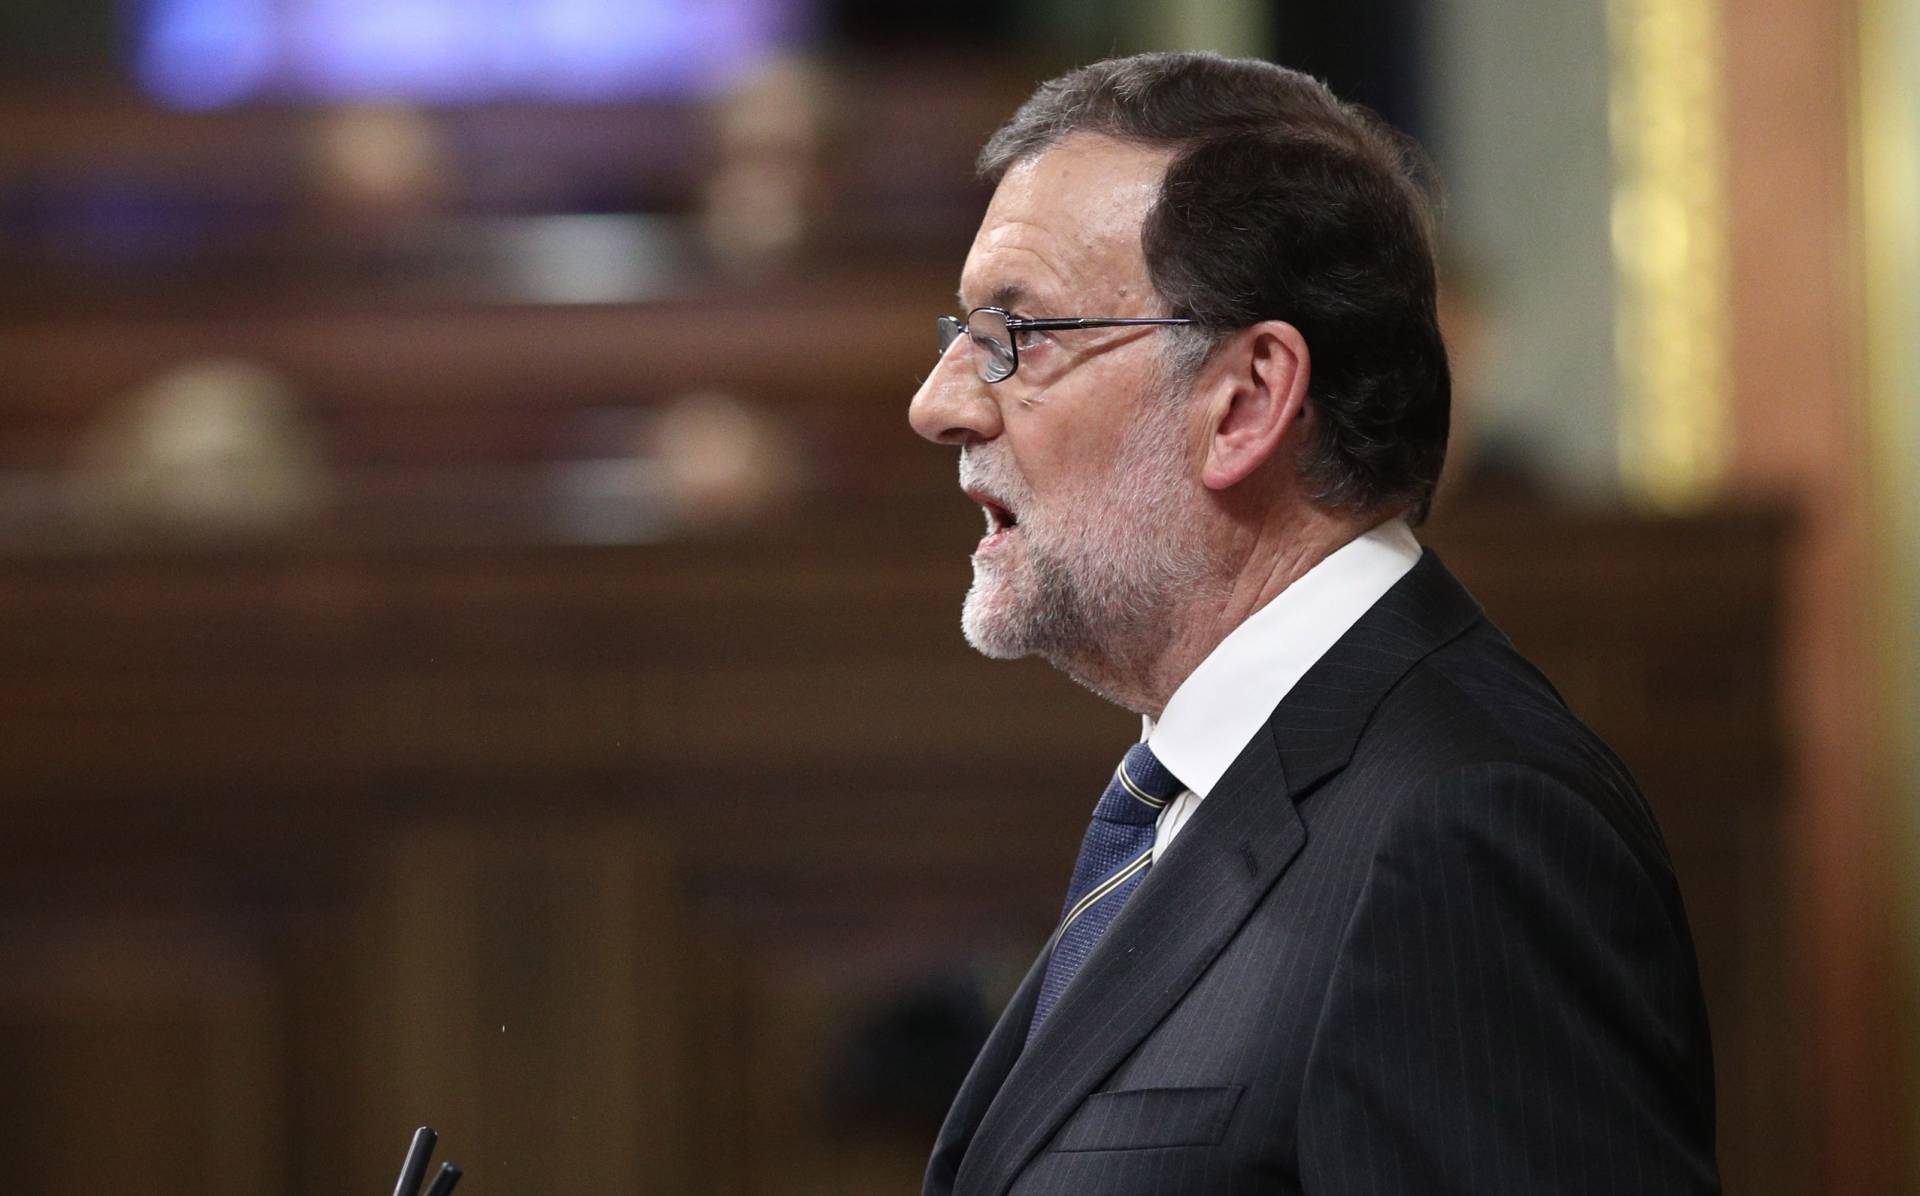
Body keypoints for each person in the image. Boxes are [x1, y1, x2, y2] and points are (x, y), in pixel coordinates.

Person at [906, 52, 1719, 1195]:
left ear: (1243, 400)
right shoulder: (1201, 793)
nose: (938, 400)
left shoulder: (1463, 829)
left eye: (1019, 333)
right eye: (963, 328)